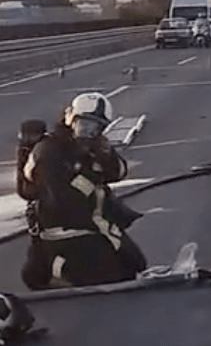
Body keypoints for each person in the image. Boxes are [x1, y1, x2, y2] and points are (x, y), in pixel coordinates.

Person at [19, 93, 147, 290]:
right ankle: (56, 273)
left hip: (91, 226)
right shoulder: (49, 149)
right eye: (84, 124)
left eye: (95, 127)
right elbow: (62, 201)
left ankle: (57, 271)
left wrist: (106, 154)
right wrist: (90, 182)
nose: (88, 131)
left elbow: (118, 172)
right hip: (64, 233)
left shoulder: (92, 147)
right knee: (117, 275)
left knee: (136, 263)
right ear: (70, 119)